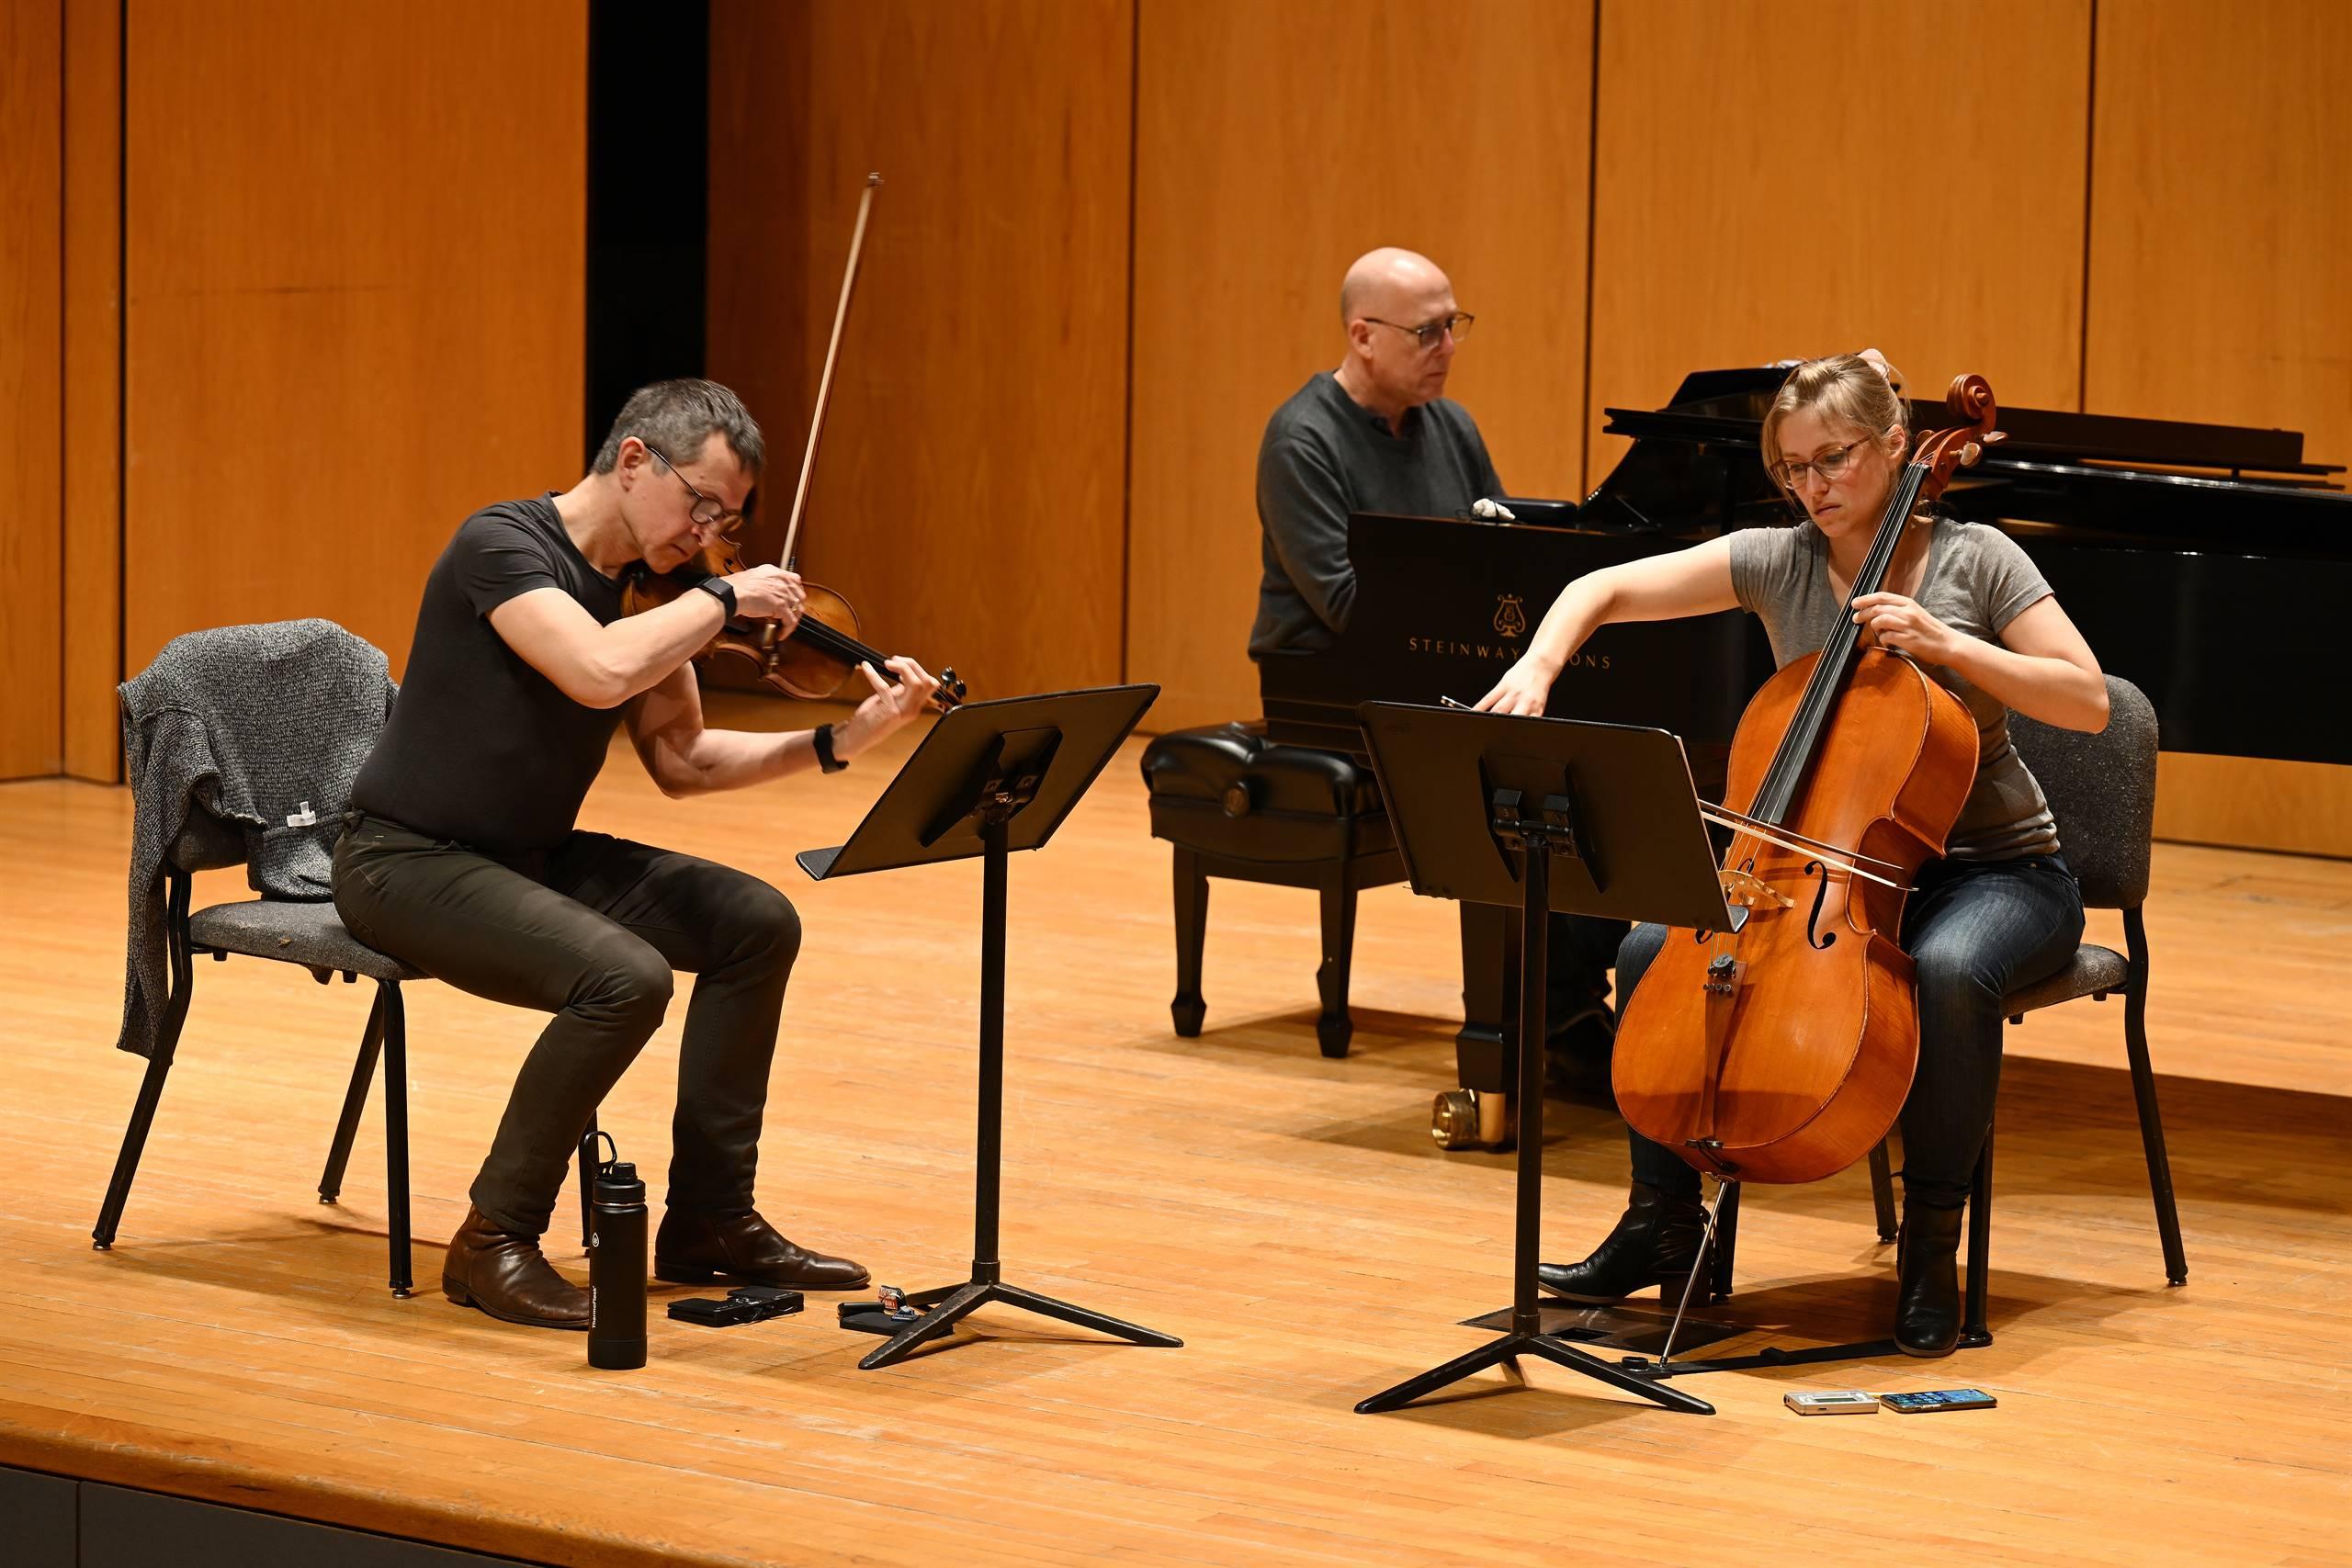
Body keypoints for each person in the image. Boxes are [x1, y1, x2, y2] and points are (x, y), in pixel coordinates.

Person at [1477, 351, 2109, 1356]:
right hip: (1829, 870)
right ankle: (1662, 1226)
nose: (1813, 488)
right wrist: (1538, 662)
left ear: (1898, 447)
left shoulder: (1976, 559)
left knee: (1945, 971)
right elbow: (1598, 586)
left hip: (1995, 873)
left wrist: (1949, 647)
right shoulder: (1777, 560)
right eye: (1794, 468)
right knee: (1651, 952)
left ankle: (1929, 1248)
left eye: (1834, 460)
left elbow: (2087, 697)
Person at [334, 378, 939, 1331]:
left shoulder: (647, 595)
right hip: (404, 862)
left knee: (753, 921)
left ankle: (708, 1218)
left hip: (526, 857)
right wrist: (722, 596)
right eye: (699, 503)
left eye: (728, 519)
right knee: (626, 977)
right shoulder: (502, 546)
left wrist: (841, 742)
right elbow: (598, 668)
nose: (706, 534)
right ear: (631, 460)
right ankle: (493, 1238)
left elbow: (685, 761)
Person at [1250, 248, 1623, 1120]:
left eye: (1453, 324)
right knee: (1517, 785)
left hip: (1429, 666)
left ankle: (1562, 1005)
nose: (1447, 345)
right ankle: (1519, 1025)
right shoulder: (1300, 439)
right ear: (1362, 336)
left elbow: (1495, 558)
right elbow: (1344, 602)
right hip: (1330, 689)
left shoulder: (1448, 425)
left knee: (1595, 770)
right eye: (1426, 330)